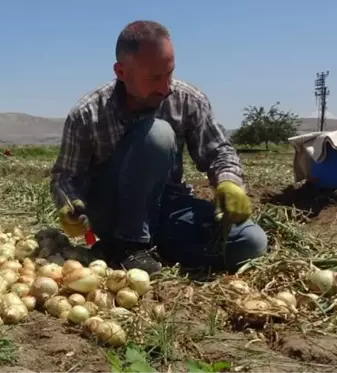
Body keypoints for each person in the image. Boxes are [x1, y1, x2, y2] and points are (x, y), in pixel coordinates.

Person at [50, 20, 267, 274]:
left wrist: (228, 182)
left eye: (169, 73)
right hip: (112, 211)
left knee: (250, 243)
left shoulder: (188, 99)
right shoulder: (88, 114)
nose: (165, 88)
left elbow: (218, 151)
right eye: (154, 78)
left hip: (169, 209)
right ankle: (129, 244)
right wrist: (68, 204)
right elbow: (65, 176)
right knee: (158, 134)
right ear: (121, 72)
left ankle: (139, 247)